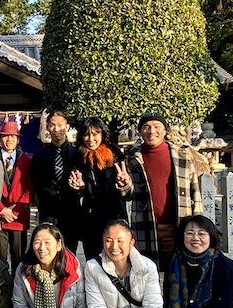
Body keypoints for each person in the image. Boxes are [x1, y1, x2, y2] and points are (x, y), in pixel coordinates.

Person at [124, 113, 202, 269]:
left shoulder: (182, 154)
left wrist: (198, 221)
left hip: (179, 223)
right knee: (147, 272)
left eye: (156, 127)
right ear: (140, 131)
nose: (151, 131)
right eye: (146, 127)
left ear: (165, 131)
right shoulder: (132, 157)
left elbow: (194, 188)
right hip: (146, 225)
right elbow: (128, 193)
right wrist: (123, 185)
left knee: (180, 272)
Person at [68, 117, 132, 259]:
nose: (90, 139)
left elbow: (128, 194)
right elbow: (76, 194)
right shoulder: (77, 158)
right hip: (90, 221)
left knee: (118, 260)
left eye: (95, 134)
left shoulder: (115, 155)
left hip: (114, 217)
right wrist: (79, 188)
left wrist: (123, 185)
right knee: (94, 264)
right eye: (86, 134)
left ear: (102, 134)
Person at [31, 111, 81, 253]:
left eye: (60, 125)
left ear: (67, 126)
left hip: (71, 212)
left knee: (70, 253)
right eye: (52, 125)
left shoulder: (77, 154)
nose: (56, 129)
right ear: (47, 127)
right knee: (48, 251)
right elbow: (35, 182)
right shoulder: (39, 155)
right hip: (48, 212)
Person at [0, 121, 33, 272]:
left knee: (19, 259)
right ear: (0, 138)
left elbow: (29, 188)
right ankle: (2, 292)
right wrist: (2, 209)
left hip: (18, 217)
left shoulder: (27, 160)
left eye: (13, 136)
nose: (9, 139)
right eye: (6, 136)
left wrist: (15, 211)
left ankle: (18, 292)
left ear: (18, 139)